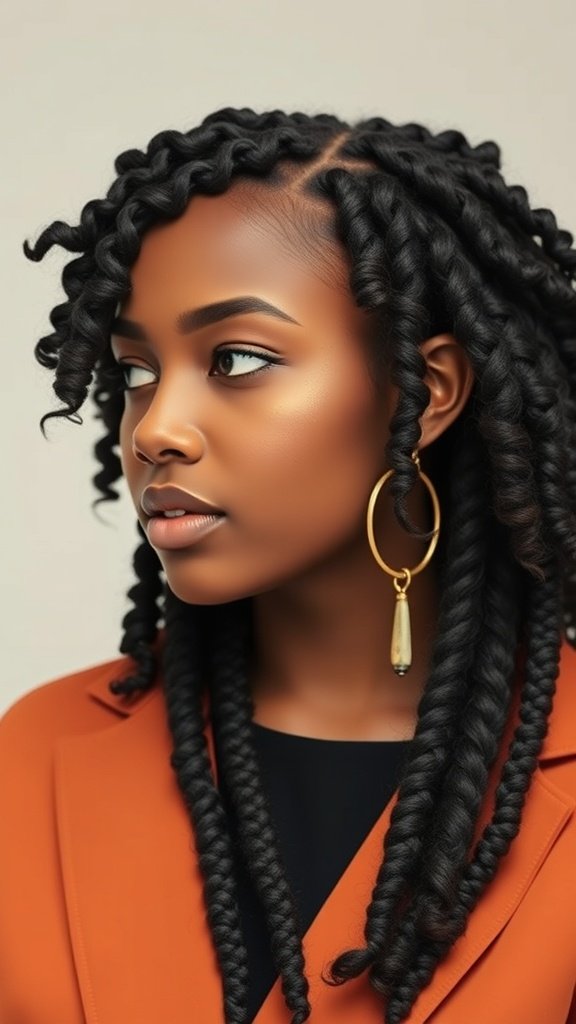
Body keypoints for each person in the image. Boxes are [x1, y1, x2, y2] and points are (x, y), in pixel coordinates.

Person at [1, 106, 576, 1024]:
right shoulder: (28, 760)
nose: (154, 429)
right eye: (139, 370)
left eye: (235, 357)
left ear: (426, 394)